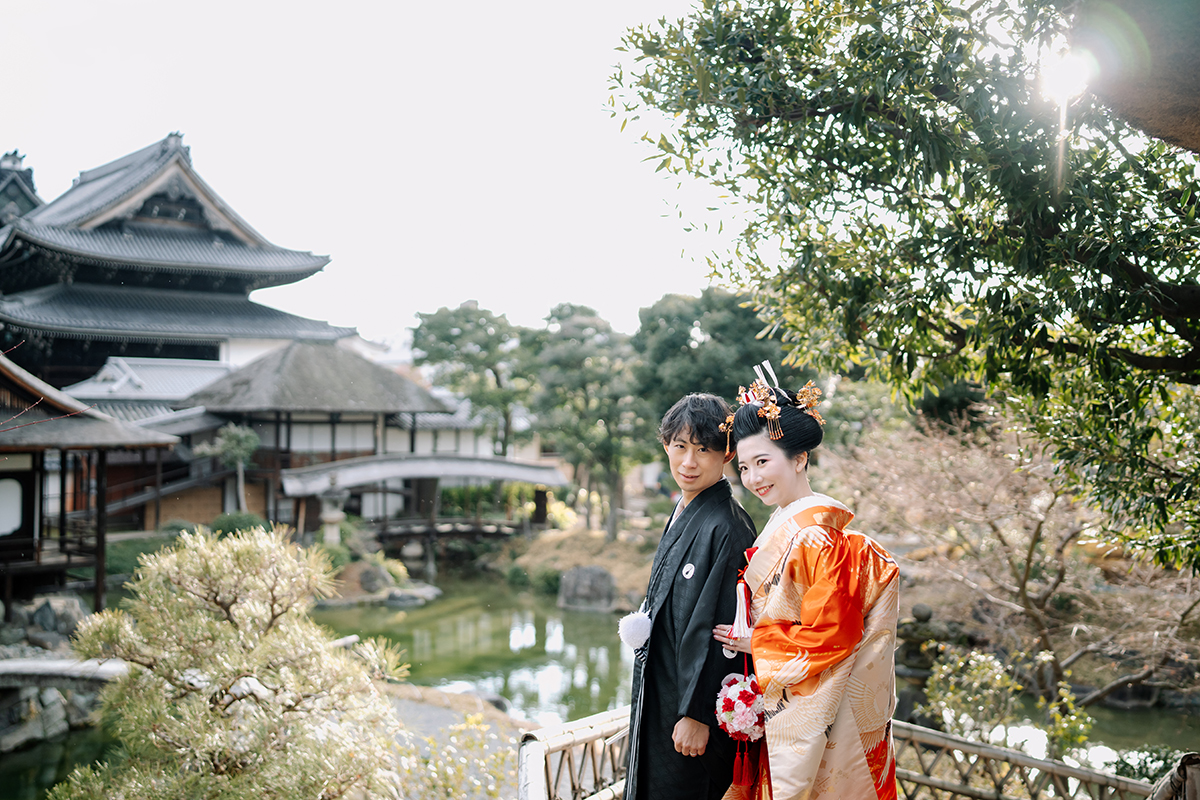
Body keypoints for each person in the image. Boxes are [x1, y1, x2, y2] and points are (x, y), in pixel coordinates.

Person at [713, 375, 900, 800]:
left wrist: (756, 641)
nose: (752, 477)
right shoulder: (787, 526)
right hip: (784, 697)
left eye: (763, 462)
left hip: (818, 708)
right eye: (743, 467)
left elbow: (835, 634)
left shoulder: (816, 535)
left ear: (798, 458)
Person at [624, 393, 758, 800]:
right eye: (680, 447)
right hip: (662, 688)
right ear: (666, 446)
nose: (689, 462)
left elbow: (721, 629)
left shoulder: (728, 526)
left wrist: (698, 713)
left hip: (693, 711)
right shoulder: (685, 507)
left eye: (704, 450)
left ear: (727, 454)